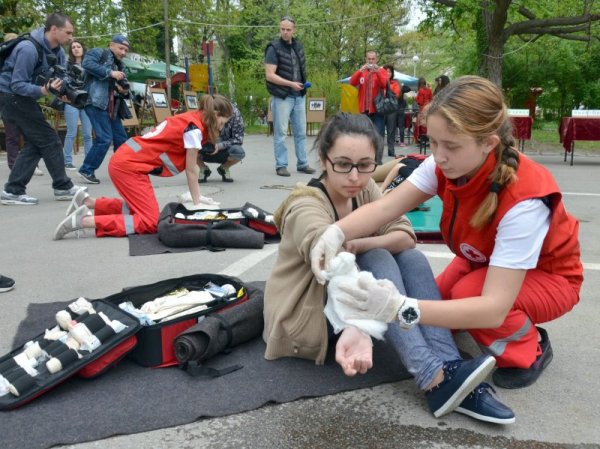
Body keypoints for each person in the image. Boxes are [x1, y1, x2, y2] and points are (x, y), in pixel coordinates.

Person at [310, 76, 583, 390]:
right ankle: (477, 319)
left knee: (462, 300)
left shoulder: (525, 200)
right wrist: (334, 233)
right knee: (436, 306)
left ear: (488, 144)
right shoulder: (445, 163)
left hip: (550, 276)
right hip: (483, 258)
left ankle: (530, 347)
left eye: (451, 146)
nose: (438, 155)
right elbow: (385, 209)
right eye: (433, 141)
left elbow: (493, 309)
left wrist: (398, 307)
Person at [263, 112, 515, 424]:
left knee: (411, 258)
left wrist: (359, 243)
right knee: (379, 258)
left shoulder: (366, 190)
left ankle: (449, 367)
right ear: (324, 160)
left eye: (365, 165)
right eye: (343, 164)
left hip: (353, 303)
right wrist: (357, 320)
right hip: (308, 315)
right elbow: (328, 257)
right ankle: (430, 374)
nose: (355, 176)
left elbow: (405, 237)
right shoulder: (305, 203)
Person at [53, 94, 233, 240]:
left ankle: (86, 202)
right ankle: (84, 221)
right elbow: (192, 170)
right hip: (129, 166)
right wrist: (197, 201)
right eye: (223, 122)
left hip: (127, 161)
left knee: (138, 208)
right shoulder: (194, 129)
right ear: (215, 114)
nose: (221, 127)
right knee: (149, 221)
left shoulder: (191, 119)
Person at [0, 13, 86, 206]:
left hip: (23, 98)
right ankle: (63, 187)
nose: (71, 37)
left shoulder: (59, 52)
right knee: (49, 138)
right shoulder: (28, 49)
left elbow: (61, 78)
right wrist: (44, 90)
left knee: (36, 143)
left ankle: (13, 191)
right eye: (68, 32)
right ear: (54, 29)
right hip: (10, 97)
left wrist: (63, 92)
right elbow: (17, 85)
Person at [264, 16, 315, 177]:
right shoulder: (273, 48)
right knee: (281, 133)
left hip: (299, 95)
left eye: (288, 29)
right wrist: (291, 84)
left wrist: (300, 85)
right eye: (282, 29)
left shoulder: (298, 46)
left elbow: (300, 70)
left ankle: (303, 163)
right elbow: (269, 75)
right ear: (280, 29)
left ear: (294, 30)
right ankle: (281, 165)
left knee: (300, 132)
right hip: (282, 96)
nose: (285, 32)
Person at [77, 34, 131, 185]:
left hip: (112, 106)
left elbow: (123, 88)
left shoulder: (120, 65)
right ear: (111, 45)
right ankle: (86, 170)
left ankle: (119, 169)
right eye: (121, 48)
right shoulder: (98, 52)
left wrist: (124, 91)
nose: (123, 52)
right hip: (95, 102)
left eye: (126, 50)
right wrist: (110, 73)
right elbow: (87, 64)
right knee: (104, 138)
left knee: (121, 138)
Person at [197, 101, 245, 183]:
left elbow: (238, 139)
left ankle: (224, 168)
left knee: (239, 152)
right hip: (205, 148)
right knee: (188, 147)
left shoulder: (236, 114)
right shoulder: (205, 112)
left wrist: (220, 145)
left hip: (225, 150)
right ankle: (203, 168)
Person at [62, 40, 92, 170]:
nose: (76, 49)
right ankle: (67, 161)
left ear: (83, 49)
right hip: (72, 101)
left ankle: (89, 161)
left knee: (87, 134)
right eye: (73, 47)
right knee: (71, 132)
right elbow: (63, 83)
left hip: (86, 101)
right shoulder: (67, 66)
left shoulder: (89, 65)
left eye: (78, 46)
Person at [349, 51, 388, 142]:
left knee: (378, 136)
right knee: (364, 136)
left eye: (373, 59)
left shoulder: (381, 71)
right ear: (366, 59)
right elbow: (352, 82)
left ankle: (377, 155)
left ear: (376, 60)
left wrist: (377, 72)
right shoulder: (362, 72)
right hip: (364, 110)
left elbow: (384, 84)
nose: (371, 61)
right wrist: (360, 70)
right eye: (369, 59)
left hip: (377, 110)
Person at [381, 64, 401, 158]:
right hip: (381, 109)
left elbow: (396, 95)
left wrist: (388, 87)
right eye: (386, 71)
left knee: (391, 130)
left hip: (391, 109)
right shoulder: (380, 82)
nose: (388, 73)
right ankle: (379, 151)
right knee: (379, 130)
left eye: (390, 71)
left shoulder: (395, 83)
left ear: (392, 73)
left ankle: (391, 150)